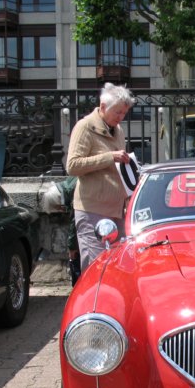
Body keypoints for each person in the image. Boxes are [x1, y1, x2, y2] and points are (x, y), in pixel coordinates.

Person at [66, 82, 135, 271]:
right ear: (103, 107)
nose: (121, 117)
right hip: (92, 211)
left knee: (116, 267)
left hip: (117, 211)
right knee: (96, 268)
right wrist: (109, 157)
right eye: (118, 112)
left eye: (124, 113)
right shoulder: (84, 127)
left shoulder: (118, 130)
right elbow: (72, 166)